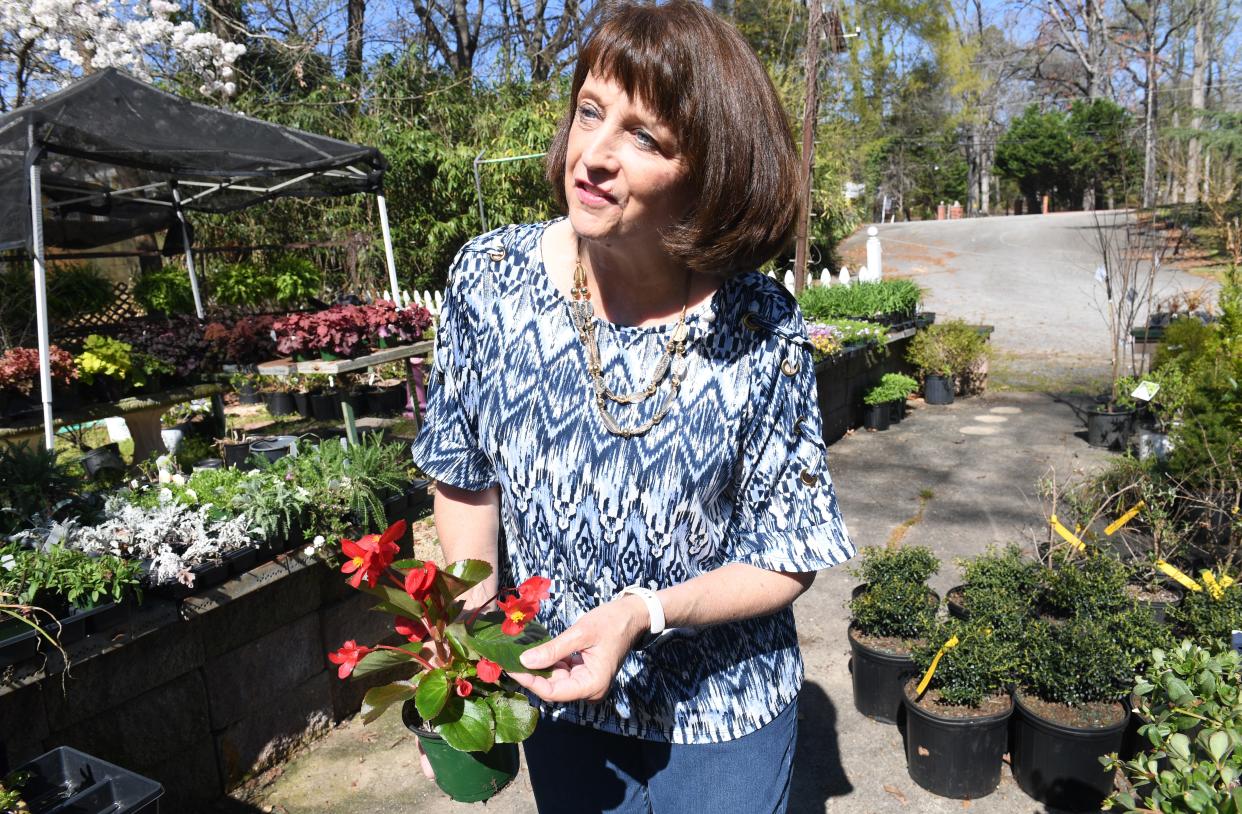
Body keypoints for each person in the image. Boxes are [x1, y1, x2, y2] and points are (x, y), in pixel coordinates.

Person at [411, 2, 854, 811]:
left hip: (724, 711)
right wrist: (475, 654)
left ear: (708, 172)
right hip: (561, 699)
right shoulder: (490, 282)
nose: (597, 154)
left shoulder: (758, 325)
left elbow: (790, 551)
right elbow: (463, 474)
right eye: (590, 111)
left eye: (645, 137)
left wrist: (646, 612)